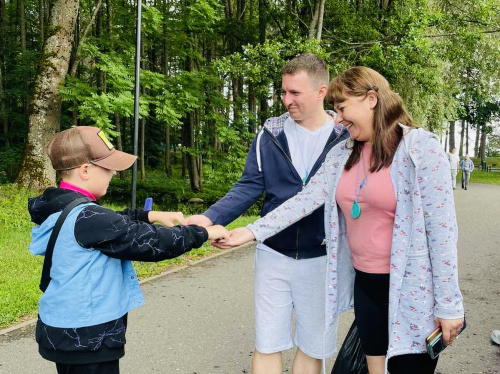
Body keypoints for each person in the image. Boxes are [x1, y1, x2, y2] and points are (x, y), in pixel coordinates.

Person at [218, 67, 465, 374]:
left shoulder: (419, 149)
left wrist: (449, 306)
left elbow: (442, 233)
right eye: (335, 111)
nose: (337, 119)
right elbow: (303, 201)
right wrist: (250, 232)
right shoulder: (342, 153)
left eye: (342, 109)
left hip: (409, 290)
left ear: (371, 99)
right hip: (367, 288)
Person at [187, 54, 349, 374]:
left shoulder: (346, 136)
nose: (286, 100)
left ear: (321, 91)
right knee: (267, 342)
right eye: (283, 92)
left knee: (313, 347)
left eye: (295, 93)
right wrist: (208, 218)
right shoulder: (269, 133)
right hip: (272, 252)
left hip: (324, 256)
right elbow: (248, 186)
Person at [28, 126, 228, 374]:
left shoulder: (58, 206)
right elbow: (152, 243)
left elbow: (112, 221)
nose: (113, 173)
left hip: (66, 330)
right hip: (89, 338)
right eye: (107, 167)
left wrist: (149, 215)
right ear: (85, 170)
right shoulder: (90, 217)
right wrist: (204, 233)